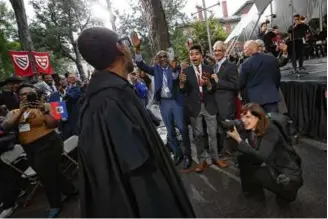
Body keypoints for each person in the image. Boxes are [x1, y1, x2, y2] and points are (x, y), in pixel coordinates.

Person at [76, 27, 195, 218]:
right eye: (127, 45)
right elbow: (141, 176)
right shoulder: (111, 101)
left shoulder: (109, 95)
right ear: (120, 48)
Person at [2, 84, 77, 218]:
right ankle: (71, 190)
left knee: (45, 174)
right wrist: (21, 111)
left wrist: (45, 111)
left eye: (30, 93)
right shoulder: (14, 112)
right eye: (23, 94)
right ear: (19, 97)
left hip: (49, 143)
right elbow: (7, 126)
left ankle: (55, 204)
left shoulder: (45, 106)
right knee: (51, 171)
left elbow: (54, 124)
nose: (27, 96)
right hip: (29, 148)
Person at [226, 103, 303, 202]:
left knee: (252, 165)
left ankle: (288, 192)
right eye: (242, 117)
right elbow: (236, 144)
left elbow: (262, 156)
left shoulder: (270, 129)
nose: (244, 120)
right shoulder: (254, 126)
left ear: (258, 117)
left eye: (248, 117)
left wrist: (238, 139)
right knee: (244, 157)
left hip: (286, 174)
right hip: (274, 166)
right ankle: (252, 192)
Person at [131, 32, 185, 165]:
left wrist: (175, 68)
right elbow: (141, 65)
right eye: (159, 57)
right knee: (169, 130)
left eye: (164, 56)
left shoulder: (174, 69)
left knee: (182, 129)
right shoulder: (154, 71)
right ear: (157, 60)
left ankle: (187, 153)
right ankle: (177, 153)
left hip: (175, 102)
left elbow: (178, 80)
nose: (162, 59)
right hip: (162, 104)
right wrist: (137, 49)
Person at [180, 44, 224, 172]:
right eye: (191, 54)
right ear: (190, 57)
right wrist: (182, 83)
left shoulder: (209, 69)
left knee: (212, 134)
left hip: (209, 106)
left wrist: (209, 83)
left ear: (200, 55)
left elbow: (213, 88)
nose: (194, 56)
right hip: (195, 107)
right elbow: (184, 91)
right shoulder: (186, 71)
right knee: (198, 135)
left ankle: (215, 158)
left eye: (196, 54)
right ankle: (202, 161)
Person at [211, 41, 239, 164]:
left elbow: (236, 85)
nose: (217, 53)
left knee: (230, 128)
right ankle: (225, 150)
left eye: (219, 50)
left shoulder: (231, 66)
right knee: (221, 129)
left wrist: (218, 81)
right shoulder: (213, 66)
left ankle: (236, 153)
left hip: (227, 103)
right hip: (216, 103)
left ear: (225, 51)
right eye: (215, 50)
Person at [240, 40, 281, 113]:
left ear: (250, 49)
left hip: (254, 100)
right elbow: (277, 77)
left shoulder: (245, 64)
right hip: (271, 97)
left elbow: (241, 83)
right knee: (273, 122)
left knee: (259, 123)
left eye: (244, 49)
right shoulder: (272, 59)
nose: (243, 51)